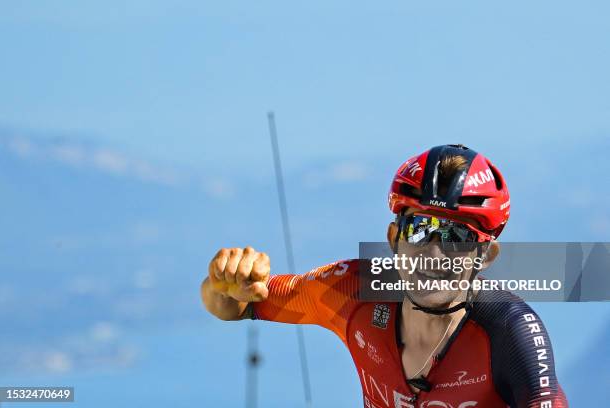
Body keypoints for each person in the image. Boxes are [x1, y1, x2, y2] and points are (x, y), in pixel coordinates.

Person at [201, 144, 568, 407]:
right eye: (420, 229)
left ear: (485, 255)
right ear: (394, 239)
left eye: (457, 237)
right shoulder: (354, 290)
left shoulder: (510, 329)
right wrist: (223, 279)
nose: (434, 254)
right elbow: (230, 306)